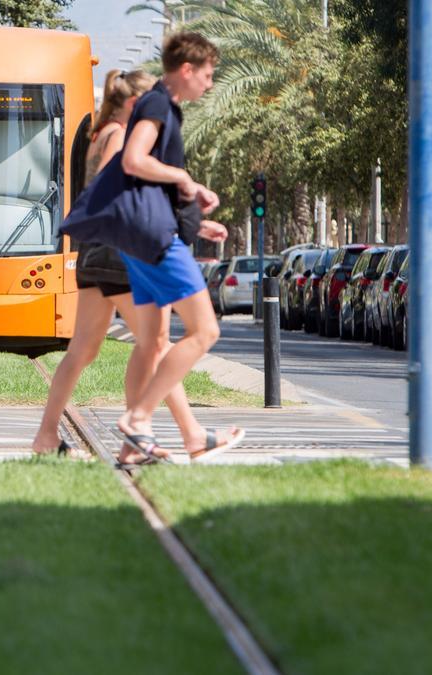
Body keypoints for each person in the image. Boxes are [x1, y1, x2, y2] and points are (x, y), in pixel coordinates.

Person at [33, 70, 237, 463]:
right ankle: (182, 434)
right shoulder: (122, 138)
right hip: (116, 251)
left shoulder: (103, 133)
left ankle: (49, 434)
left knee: (85, 349)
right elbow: (125, 194)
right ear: (134, 104)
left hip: (95, 249)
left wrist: (193, 223)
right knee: (155, 343)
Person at [114, 32, 245, 466]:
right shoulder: (156, 104)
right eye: (207, 76)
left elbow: (146, 177)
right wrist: (184, 179)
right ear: (186, 70)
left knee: (152, 344)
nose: (209, 85)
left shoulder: (160, 106)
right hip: (155, 243)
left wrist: (196, 216)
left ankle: (135, 445)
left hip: (143, 235)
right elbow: (134, 160)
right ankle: (138, 419)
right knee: (205, 332)